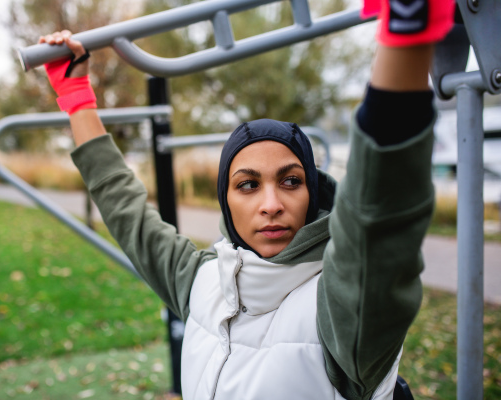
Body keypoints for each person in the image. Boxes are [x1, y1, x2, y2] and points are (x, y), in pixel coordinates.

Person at [39, 0, 454, 398]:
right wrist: (76, 95)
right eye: (248, 184)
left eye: (290, 181)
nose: (271, 203)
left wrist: (407, 31)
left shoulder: (342, 309)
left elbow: (379, 222)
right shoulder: (201, 281)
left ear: (312, 192)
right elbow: (123, 204)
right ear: (226, 200)